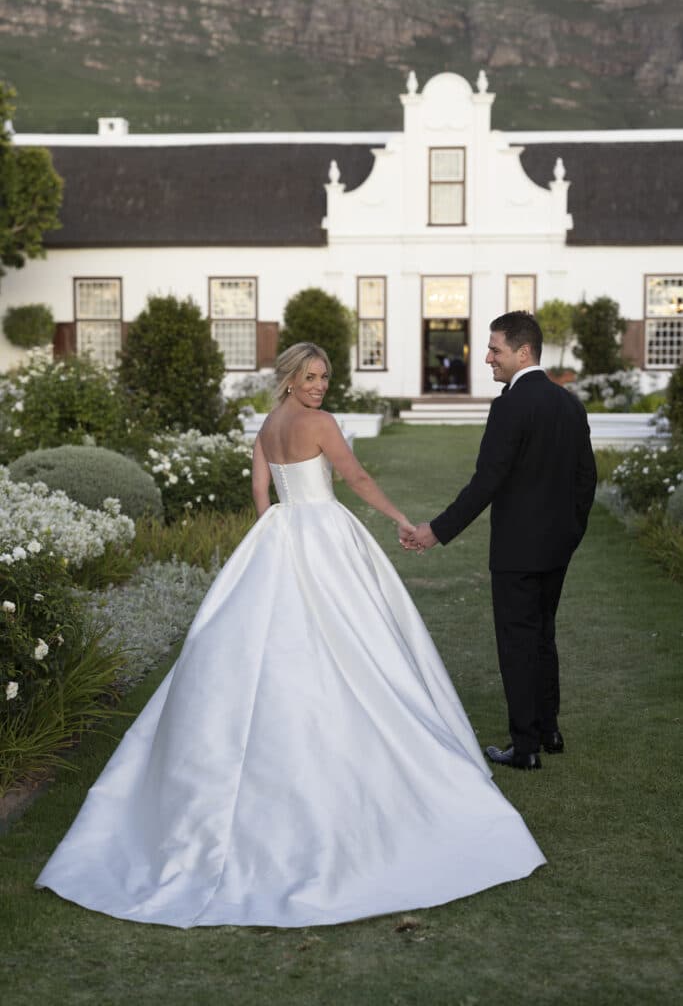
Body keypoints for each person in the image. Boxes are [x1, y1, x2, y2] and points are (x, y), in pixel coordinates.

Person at [36, 341, 545, 929]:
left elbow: (262, 491)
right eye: (309, 376)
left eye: (324, 376)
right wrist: (403, 520)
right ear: (290, 378)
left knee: (269, 642)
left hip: (280, 534)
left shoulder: (268, 424)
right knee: (351, 641)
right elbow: (352, 475)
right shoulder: (319, 424)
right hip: (325, 532)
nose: (319, 385)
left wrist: (270, 535)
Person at [407, 313, 597, 771]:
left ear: (523, 352)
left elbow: (485, 483)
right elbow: (585, 480)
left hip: (516, 551)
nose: (487, 358)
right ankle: (549, 729)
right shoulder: (568, 404)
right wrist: (570, 533)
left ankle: (526, 745)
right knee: (542, 636)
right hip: (556, 548)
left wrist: (436, 530)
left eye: (495, 349)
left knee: (517, 642)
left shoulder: (509, 405)